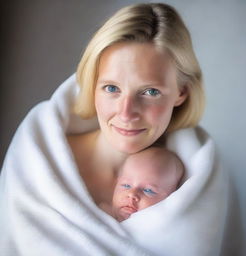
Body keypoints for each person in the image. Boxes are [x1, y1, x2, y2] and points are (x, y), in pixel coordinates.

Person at [0, 3, 229, 256]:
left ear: (181, 93)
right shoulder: (37, 157)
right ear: (92, 84)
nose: (126, 112)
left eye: (150, 91)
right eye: (111, 88)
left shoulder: (200, 182)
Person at [105, 147, 185, 222]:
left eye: (148, 190)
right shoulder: (103, 214)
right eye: (126, 185)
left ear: (171, 197)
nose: (132, 194)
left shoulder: (161, 227)